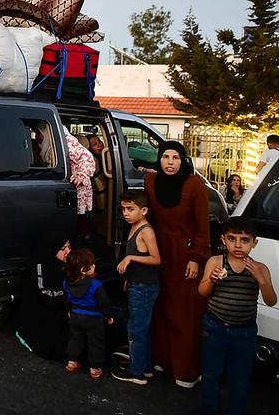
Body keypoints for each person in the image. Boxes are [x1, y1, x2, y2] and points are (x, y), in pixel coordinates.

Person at [144, 140, 210, 388]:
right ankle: (163, 359)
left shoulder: (194, 185)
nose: (170, 162)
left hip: (186, 255)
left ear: (183, 161)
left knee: (184, 312)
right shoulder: (151, 182)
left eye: (175, 158)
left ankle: (186, 370)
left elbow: (203, 229)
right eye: (165, 157)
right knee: (161, 307)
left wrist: (196, 259)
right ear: (159, 159)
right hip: (159, 252)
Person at [198, 216, 276, 415]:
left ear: (254, 243)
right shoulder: (216, 261)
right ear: (223, 239)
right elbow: (202, 291)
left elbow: (271, 300)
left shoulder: (259, 268)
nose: (238, 245)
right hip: (214, 327)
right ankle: (209, 409)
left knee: (240, 377)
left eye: (245, 240)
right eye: (232, 239)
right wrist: (212, 280)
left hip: (244, 331)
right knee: (210, 373)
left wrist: (262, 281)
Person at [111, 190, 161, 386]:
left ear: (144, 210)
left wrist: (130, 258)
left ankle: (136, 371)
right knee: (142, 328)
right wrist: (128, 278)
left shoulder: (146, 231)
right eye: (124, 209)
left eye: (130, 209)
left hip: (144, 288)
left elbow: (156, 259)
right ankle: (144, 366)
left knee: (136, 330)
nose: (126, 213)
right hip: (136, 284)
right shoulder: (134, 227)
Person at [14, 231, 71, 360]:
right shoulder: (39, 266)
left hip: (59, 305)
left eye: (69, 247)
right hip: (42, 310)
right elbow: (44, 295)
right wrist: (67, 298)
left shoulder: (65, 265)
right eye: (63, 248)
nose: (68, 251)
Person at [63, 247, 113, 380]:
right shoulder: (95, 285)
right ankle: (95, 369)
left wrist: (69, 311)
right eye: (91, 265)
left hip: (75, 316)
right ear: (83, 270)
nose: (94, 266)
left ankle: (72, 362)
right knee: (95, 343)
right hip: (94, 319)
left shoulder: (66, 284)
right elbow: (104, 302)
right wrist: (108, 315)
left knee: (75, 339)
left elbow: (66, 300)